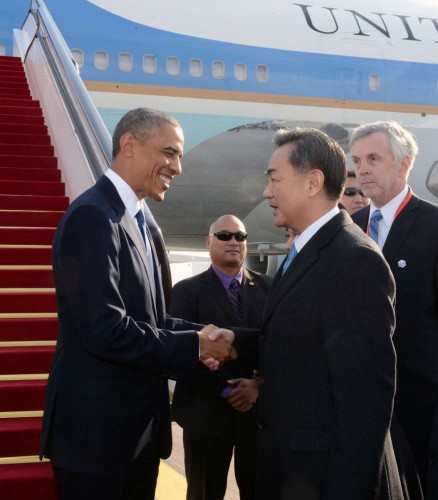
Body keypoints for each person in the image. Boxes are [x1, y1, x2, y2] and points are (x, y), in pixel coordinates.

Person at [39, 107, 236, 500]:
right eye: (169, 152)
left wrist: (207, 336)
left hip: (136, 442)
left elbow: (154, 320)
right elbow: (104, 329)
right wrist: (198, 346)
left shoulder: (142, 222)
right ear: (128, 145)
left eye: (179, 156)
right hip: (96, 444)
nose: (177, 167)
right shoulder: (92, 217)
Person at [212, 127, 403, 499]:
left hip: (324, 480)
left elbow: (365, 402)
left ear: (313, 181)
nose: (267, 192)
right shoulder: (307, 250)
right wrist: (238, 341)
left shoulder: (353, 260)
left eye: (274, 179)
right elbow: (301, 338)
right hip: (294, 473)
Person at [350, 121, 438, 500]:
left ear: (404, 165)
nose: (362, 169)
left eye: (373, 158)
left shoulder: (434, 226)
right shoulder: (347, 230)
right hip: (360, 406)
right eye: (356, 160)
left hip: (420, 410)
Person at [170, 214, 272, 500]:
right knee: (204, 493)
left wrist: (257, 386)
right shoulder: (186, 292)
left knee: (260, 491)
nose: (233, 242)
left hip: (257, 416)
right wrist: (227, 390)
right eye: (224, 236)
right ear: (208, 242)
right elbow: (180, 352)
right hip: (205, 414)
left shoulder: (270, 289)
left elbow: (279, 345)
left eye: (240, 236)